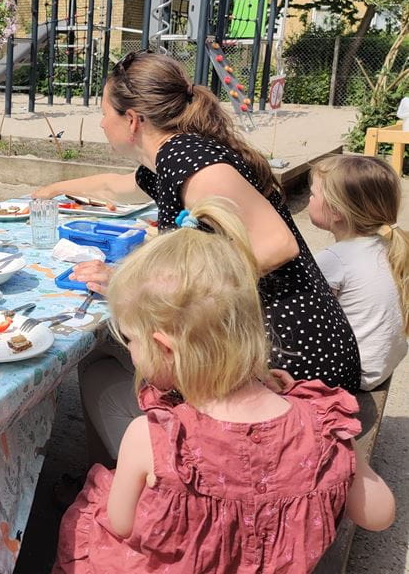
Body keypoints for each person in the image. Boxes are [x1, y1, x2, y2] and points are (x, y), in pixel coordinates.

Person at [33, 51, 360, 456]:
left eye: (104, 113)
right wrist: (52, 190)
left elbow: (278, 245)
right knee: (117, 343)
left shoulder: (187, 158)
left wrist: (152, 285)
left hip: (292, 358)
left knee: (103, 356)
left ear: (132, 120)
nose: (101, 123)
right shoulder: (174, 156)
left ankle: (144, 486)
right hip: (280, 341)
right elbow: (117, 187)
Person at [53, 199, 395, 574]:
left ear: (166, 348)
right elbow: (379, 515)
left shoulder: (153, 438)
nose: (130, 350)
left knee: (90, 513)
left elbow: (122, 524)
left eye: (130, 340)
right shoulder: (323, 422)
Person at [308, 155, 408, 390]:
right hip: (380, 364)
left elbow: (311, 318)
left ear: (336, 213)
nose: (309, 199)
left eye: (312, 195)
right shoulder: (388, 246)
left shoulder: (335, 260)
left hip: (354, 373)